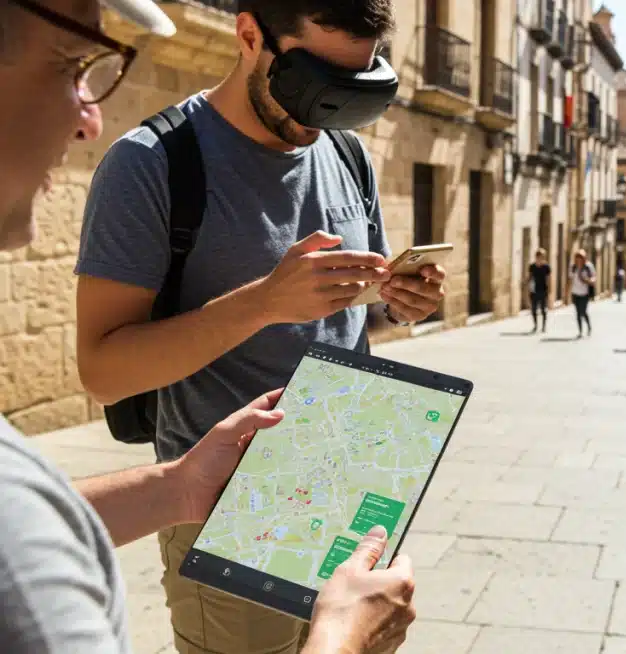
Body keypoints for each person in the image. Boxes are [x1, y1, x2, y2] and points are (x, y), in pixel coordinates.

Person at [0, 1, 417, 653]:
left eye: (354, 87)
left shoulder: (347, 154)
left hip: (343, 477)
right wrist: (264, 302)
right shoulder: (153, 162)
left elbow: (355, 315)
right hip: (225, 503)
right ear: (249, 35)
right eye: (314, 83)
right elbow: (103, 373)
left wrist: (395, 301)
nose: (329, 111)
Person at [569, 249, 596, 338]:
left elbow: (594, 278)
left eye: (580, 258)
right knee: (578, 312)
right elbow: (570, 279)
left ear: (584, 258)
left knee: (583, 311)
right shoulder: (573, 267)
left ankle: (589, 326)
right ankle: (580, 331)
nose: (579, 260)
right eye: (577, 258)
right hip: (575, 292)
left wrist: (588, 280)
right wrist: (567, 293)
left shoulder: (588, 266)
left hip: (585, 293)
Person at [527, 247, 551, 332]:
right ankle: (535, 325)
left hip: (543, 290)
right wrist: (528, 288)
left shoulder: (546, 267)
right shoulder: (532, 266)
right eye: (538, 256)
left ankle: (543, 326)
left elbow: (548, 279)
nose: (540, 258)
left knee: (543, 309)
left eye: (542, 256)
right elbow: (530, 277)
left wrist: (549, 290)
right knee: (533, 309)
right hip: (534, 290)